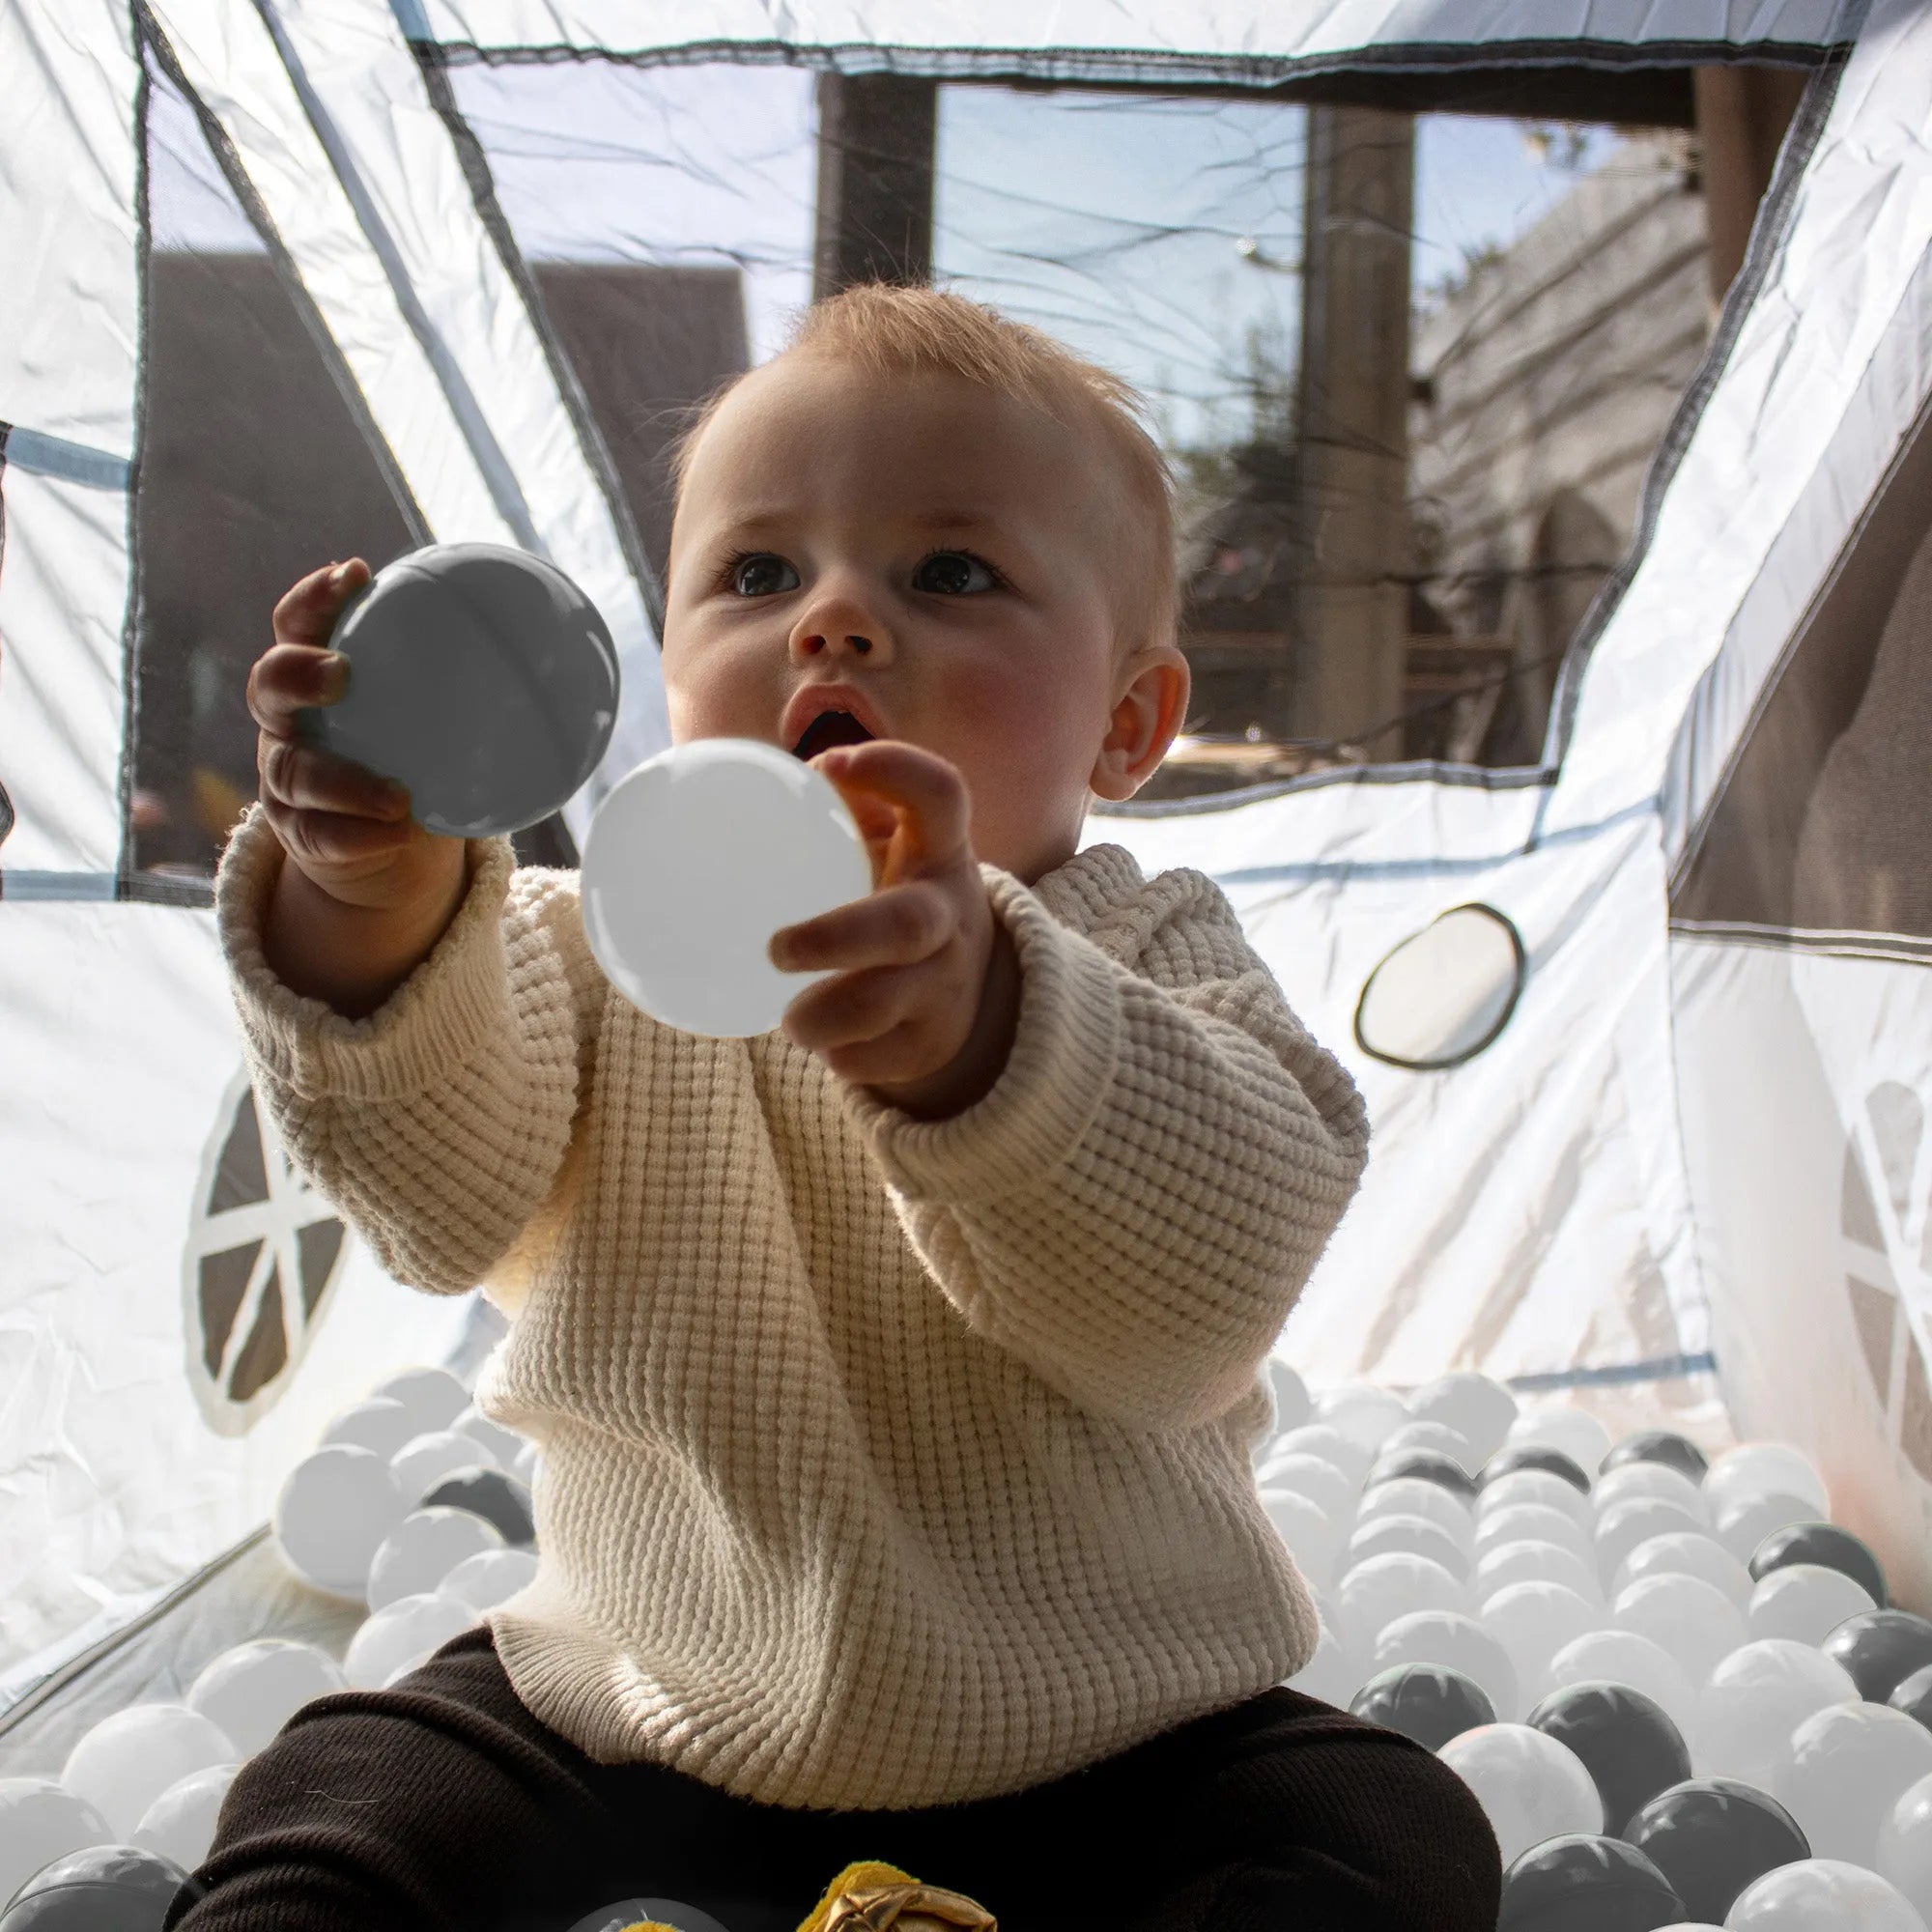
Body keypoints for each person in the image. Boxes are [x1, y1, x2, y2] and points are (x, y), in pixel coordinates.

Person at [170, 285, 1500, 1932]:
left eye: (950, 573)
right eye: (756, 573)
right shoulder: (575, 952)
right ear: (663, 673)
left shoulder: (1145, 950)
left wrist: (983, 1040)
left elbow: (1203, 1298)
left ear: (1129, 723)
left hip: (1113, 1741)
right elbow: (434, 1195)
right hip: (638, 1705)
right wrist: (363, 894)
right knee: (341, 1794)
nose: (834, 622)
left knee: (1388, 1829)